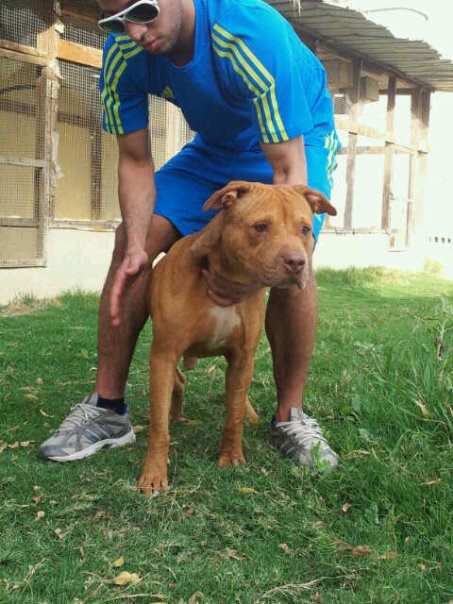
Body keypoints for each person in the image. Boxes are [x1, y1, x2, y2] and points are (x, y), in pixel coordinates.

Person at [39, 0, 340, 468]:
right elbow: (135, 159)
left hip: (295, 141)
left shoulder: (248, 33)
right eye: (116, 21)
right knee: (132, 243)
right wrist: (137, 245)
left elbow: (286, 171)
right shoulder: (124, 52)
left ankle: (290, 415)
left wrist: (253, 275)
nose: (134, 32)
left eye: (142, 10)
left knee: (292, 254)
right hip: (214, 151)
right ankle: (107, 408)